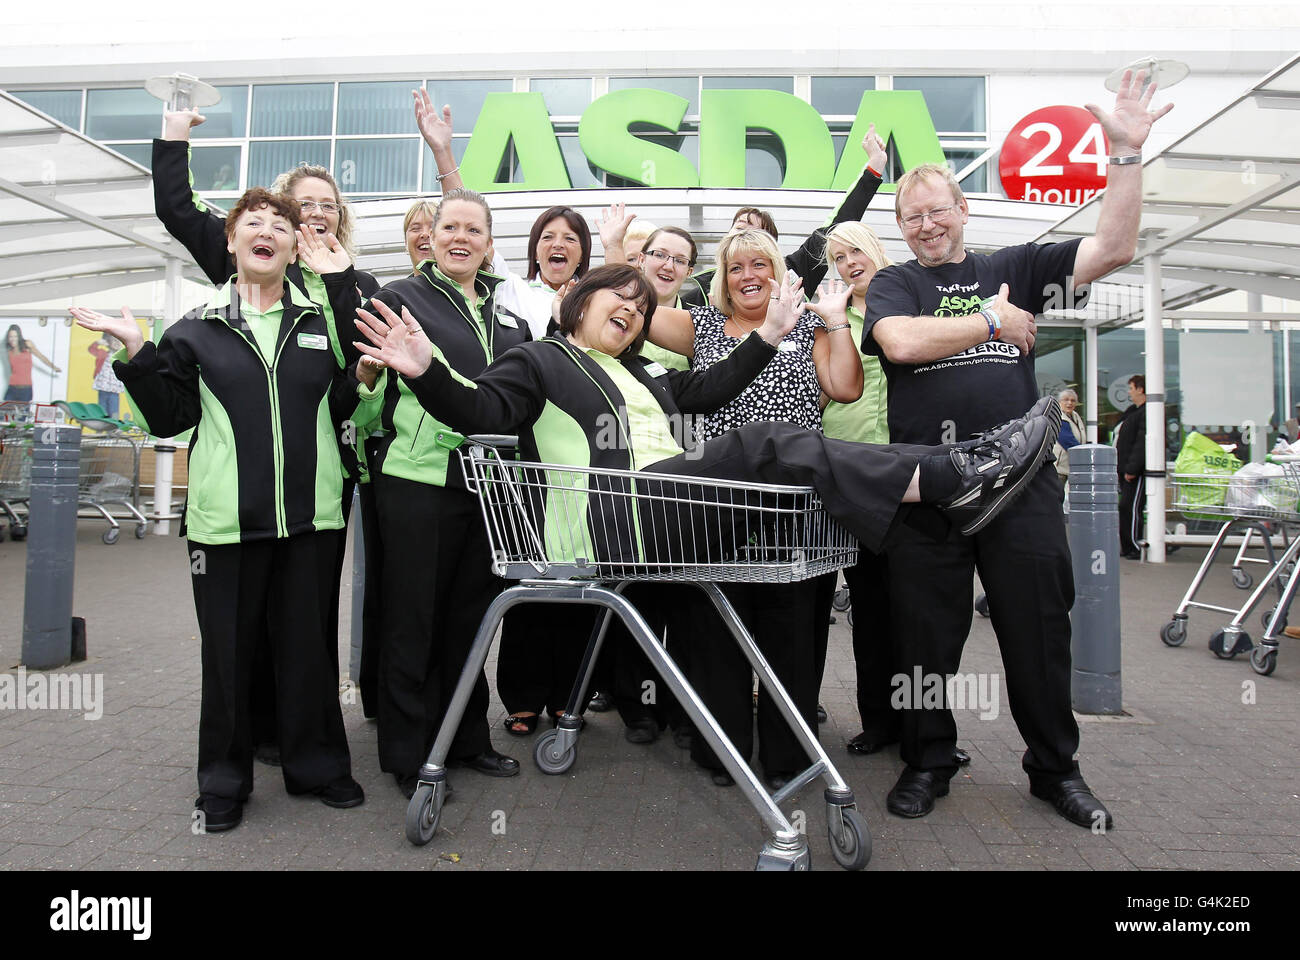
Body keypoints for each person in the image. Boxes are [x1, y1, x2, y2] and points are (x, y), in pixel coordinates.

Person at [349, 267, 1058, 778]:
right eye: (616, 298)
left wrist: (773, 334)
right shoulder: (539, 360)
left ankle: (955, 469)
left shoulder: (645, 377)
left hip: (672, 518)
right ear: (575, 304)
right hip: (615, 527)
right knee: (762, 442)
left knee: (782, 472)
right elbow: (481, 412)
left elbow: (713, 385)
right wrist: (424, 372)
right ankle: (950, 477)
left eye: (641, 304)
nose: (631, 309)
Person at [862, 69, 1171, 829]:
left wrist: (1125, 153)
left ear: (963, 210)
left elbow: (1115, 246)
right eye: (912, 217)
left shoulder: (1016, 268)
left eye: (937, 211)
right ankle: (929, 760)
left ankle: (1054, 769)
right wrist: (993, 325)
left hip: (1022, 482)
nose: (927, 226)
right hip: (927, 485)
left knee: (1038, 629)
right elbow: (899, 342)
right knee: (926, 639)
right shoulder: (896, 283)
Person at [70, 188, 366, 832]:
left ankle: (317, 766)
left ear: (295, 247)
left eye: (282, 227)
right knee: (229, 659)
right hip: (223, 526)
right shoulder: (196, 327)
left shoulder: (321, 320)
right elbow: (171, 419)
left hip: (311, 521)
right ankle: (224, 782)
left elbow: (349, 398)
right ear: (231, 243)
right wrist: (135, 352)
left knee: (308, 651)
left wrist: (356, 344)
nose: (268, 233)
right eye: (253, 224)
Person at [153, 106, 381, 766]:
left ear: (340, 219)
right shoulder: (240, 271)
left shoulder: (352, 282)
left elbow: (359, 374)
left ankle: (304, 741)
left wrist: (340, 284)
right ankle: (253, 739)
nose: (313, 215)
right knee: (241, 626)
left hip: (321, 479)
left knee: (305, 625)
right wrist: (174, 134)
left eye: (327, 206)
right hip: (245, 485)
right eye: (300, 205)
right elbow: (177, 207)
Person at [621, 228, 863, 787]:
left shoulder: (806, 325)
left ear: (778, 272)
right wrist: (622, 252)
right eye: (735, 268)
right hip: (716, 505)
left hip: (791, 508)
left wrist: (835, 320)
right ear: (722, 280)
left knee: (793, 636)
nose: (748, 276)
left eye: (760, 264)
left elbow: (845, 388)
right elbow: (629, 306)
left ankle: (788, 759)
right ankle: (722, 754)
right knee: (715, 632)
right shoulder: (699, 327)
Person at [319, 187, 528, 798]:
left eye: (474, 230)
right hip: (415, 479)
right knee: (413, 619)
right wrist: (365, 383)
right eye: (451, 228)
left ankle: (466, 739)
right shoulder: (398, 298)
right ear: (431, 238)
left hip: (490, 486)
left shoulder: (507, 317)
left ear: (489, 246)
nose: (461, 238)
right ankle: (410, 754)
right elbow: (363, 396)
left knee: (470, 618)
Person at [1115, 375, 1147, 559]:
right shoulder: (1132, 412)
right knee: (1124, 508)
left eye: (1131, 388)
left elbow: (1141, 443)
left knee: (1130, 507)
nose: (1129, 392)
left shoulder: (1147, 412)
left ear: (1140, 389)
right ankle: (1127, 546)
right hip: (1125, 469)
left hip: (1134, 472)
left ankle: (1134, 545)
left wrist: (1132, 469)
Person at [4, 325, 61, 401]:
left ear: (19, 336)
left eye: (15, 336)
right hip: (12, 387)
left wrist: (54, 367)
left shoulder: (27, 344)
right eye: (10, 337)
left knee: (23, 412)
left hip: (25, 389)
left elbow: (41, 356)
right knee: (4, 410)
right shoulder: (9, 350)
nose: (13, 339)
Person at [1054, 388, 1087, 486]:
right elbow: (1068, 441)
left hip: (1072, 465)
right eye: (1066, 400)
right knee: (1057, 496)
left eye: (1073, 400)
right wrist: (1085, 454)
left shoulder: (1076, 416)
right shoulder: (1059, 417)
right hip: (1059, 468)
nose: (1069, 403)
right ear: (1059, 402)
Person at [88, 335, 125, 417]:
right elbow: (91, 349)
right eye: (114, 341)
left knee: (114, 410)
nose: (117, 343)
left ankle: (114, 427)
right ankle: (101, 424)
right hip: (103, 386)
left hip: (115, 388)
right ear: (108, 343)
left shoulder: (122, 356)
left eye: (119, 341)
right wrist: (97, 343)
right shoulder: (103, 353)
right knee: (102, 408)